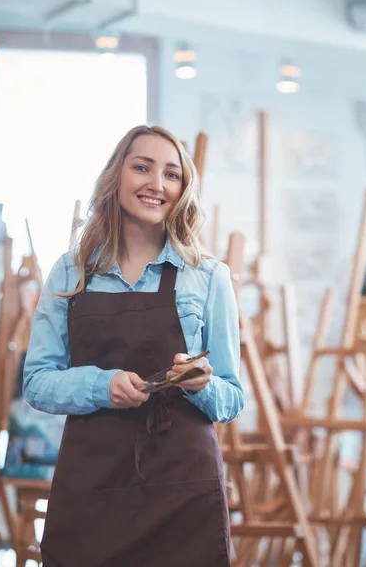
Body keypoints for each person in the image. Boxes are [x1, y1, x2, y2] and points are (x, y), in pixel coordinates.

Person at [23, 124, 244, 567]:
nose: (155, 184)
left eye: (171, 174)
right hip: (91, 487)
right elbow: (37, 381)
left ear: (182, 190)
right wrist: (101, 386)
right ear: (115, 176)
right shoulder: (71, 272)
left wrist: (200, 385)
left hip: (182, 490)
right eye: (142, 167)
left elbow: (232, 398)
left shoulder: (207, 276)